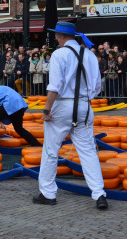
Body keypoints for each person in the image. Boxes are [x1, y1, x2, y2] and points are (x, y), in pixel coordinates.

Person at [35, 21, 107, 210]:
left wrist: (46, 110)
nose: (56, 39)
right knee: (88, 151)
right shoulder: (90, 55)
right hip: (84, 106)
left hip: (62, 105)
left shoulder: (59, 54)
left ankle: (48, 193)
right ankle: (99, 193)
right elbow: (97, 86)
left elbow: (55, 87)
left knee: (51, 150)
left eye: (57, 36)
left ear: (61, 36)